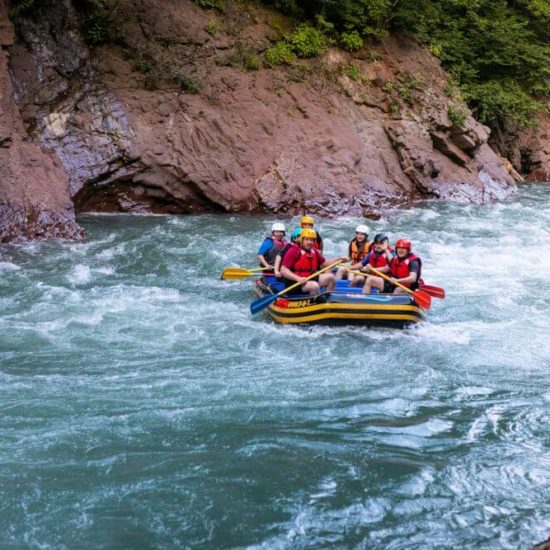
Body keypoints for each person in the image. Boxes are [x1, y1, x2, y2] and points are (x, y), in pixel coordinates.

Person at [280, 228, 345, 295]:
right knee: (314, 286)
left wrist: (338, 260)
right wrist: (298, 278)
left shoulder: (314, 251)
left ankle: (327, 298)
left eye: (311, 240)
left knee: (331, 278)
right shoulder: (293, 251)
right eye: (307, 239)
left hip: (310, 278)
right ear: (301, 240)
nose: (309, 242)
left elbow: (325, 263)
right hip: (295, 283)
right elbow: (283, 270)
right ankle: (315, 301)